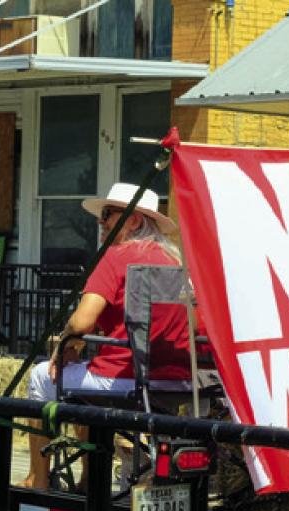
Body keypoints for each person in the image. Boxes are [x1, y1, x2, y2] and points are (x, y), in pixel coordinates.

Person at [20, 183, 191, 490]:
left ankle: (40, 478)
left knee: (41, 377)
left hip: (124, 379)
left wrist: (65, 339)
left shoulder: (115, 257)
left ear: (135, 220)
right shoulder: (174, 262)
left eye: (109, 214)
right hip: (171, 381)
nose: (101, 221)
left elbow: (83, 320)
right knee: (79, 383)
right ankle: (88, 478)